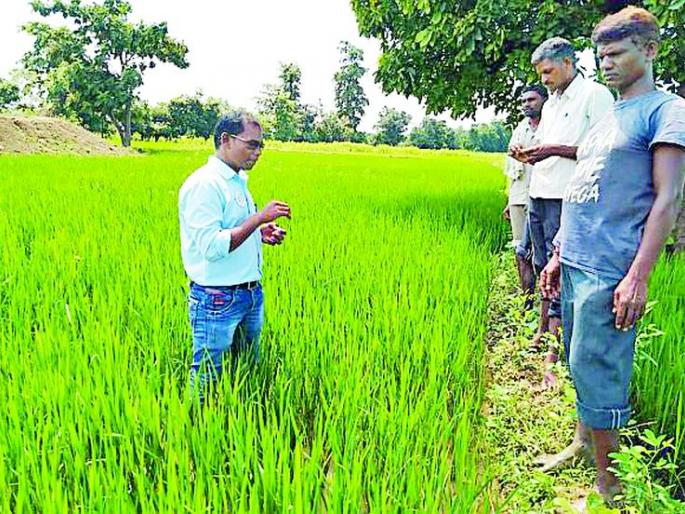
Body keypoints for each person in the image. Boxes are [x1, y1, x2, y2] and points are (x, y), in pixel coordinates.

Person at [539, 7, 685, 505]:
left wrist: (638, 276)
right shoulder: (607, 117)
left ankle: (611, 485)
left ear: (650, 50)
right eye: (601, 55)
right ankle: (583, 445)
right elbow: (583, 188)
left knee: (599, 368)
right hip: (577, 258)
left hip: (611, 265)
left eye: (618, 53)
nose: (607, 63)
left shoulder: (666, 111)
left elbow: (667, 199)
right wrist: (558, 254)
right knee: (580, 361)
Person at [511, 37, 614, 388]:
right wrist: (528, 153)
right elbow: (545, 148)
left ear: (568, 63)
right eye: (540, 75)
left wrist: (552, 149)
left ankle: (557, 355)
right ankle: (543, 332)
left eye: (548, 71)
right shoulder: (552, 102)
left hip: (569, 197)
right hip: (539, 193)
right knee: (542, 266)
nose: (544, 80)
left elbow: (604, 151)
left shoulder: (594, 96)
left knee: (563, 275)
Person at [179, 111, 291, 402]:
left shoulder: (236, 181)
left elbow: (231, 228)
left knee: (246, 369)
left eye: (261, 146)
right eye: (251, 144)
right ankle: (196, 425)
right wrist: (258, 218)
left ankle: (240, 417)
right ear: (226, 139)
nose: (258, 152)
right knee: (207, 374)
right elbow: (212, 247)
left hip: (249, 294)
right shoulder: (205, 184)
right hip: (217, 298)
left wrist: (260, 232)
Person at [504, 85, 547, 305]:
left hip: (544, 195)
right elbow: (511, 168)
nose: (526, 105)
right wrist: (508, 201)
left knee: (544, 253)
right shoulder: (520, 129)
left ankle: (548, 301)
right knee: (520, 250)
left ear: (544, 100)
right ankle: (527, 302)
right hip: (519, 196)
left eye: (531, 100)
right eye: (523, 101)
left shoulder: (551, 127)